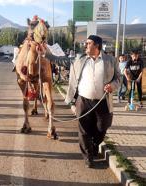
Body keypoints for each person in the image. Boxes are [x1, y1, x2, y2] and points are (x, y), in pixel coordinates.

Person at [45, 35, 120, 168]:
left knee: (102, 127)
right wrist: (46, 53)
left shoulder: (110, 60)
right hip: (83, 101)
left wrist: (112, 86)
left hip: (102, 102)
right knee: (84, 130)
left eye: (88, 43)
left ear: (96, 45)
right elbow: (60, 60)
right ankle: (88, 157)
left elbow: (118, 78)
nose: (85, 45)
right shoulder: (79, 59)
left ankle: (95, 144)